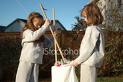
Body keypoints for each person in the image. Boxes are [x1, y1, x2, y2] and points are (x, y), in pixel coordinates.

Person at [69, 2, 105, 82]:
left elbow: (88, 48)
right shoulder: (98, 29)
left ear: (92, 16)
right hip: (92, 62)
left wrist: (77, 61)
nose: (84, 19)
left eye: (85, 17)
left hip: (88, 62)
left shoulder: (92, 29)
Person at [16, 12, 51, 82]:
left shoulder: (39, 33)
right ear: (31, 22)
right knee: (23, 79)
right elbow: (33, 36)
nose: (39, 26)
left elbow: (48, 44)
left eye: (40, 24)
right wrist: (44, 26)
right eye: (37, 24)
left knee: (33, 80)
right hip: (27, 59)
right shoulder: (27, 32)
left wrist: (54, 36)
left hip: (36, 60)